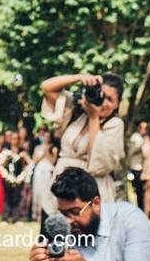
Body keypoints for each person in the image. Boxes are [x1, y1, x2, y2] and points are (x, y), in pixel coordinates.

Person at [27, 167, 150, 261]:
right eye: (63, 214)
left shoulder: (129, 218)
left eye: (74, 212)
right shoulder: (67, 232)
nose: (68, 221)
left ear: (96, 203)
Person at [41, 72, 129, 203]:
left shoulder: (114, 124)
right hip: (61, 186)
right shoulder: (76, 111)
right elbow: (47, 87)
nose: (103, 103)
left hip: (91, 191)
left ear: (118, 104)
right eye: (101, 95)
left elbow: (99, 164)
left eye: (110, 99)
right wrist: (79, 77)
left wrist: (94, 117)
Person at [0, 130, 35, 222]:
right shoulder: (6, 150)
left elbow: (29, 164)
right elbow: (0, 164)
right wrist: (6, 176)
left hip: (18, 178)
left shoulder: (22, 151)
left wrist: (22, 176)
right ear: (10, 140)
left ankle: (15, 218)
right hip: (7, 178)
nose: (15, 141)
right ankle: (5, 218)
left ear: (19, 140)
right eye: (13, 139)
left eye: (16, 139)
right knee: (7, 197)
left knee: (17, 197)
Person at [34, 142, 60, 223]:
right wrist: (43, 154)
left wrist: (47, 153)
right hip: (39, 171)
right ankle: (37, 214)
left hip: (48, 172)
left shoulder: (53, 147)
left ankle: (48, 212)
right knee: (38, 192)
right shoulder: (38, 147)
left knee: (47, 193)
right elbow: (35, 160)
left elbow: (53, 161)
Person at [127, 121, 149, 209]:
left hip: (145, 168)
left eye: (145, 128)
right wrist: (142, 146)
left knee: (144, 191)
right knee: (137, 190)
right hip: (136, 167)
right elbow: (131, 151)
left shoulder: (147, 138)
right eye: (142, 127)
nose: (144, 130)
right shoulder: (135, 137)